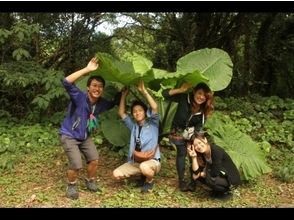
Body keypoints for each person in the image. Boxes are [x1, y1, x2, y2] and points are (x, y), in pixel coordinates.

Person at [59, 57, 119, 200]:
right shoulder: (79, 97)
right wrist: (87, 69)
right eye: (94, 85)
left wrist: (124, 91)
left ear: (102, 90)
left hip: (84, 136)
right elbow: (66, 81)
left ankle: (90, 182)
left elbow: (113, 103)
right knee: (76, 164)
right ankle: (71, 185)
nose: (97, 89)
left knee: (94, 159)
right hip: (69, 135)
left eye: (100, 86)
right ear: (88, 87)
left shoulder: (101, 103)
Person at [162, 82, 214, 191]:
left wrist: (194, 140)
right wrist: (180, 90)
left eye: (204, 95)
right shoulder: (184, 98)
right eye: (199, 93)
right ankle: (181, 181)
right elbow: (164, 94)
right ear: (194, 92)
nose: (201, 97)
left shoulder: (204, 109)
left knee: (193, 154)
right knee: (182, 153)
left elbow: (199, 127)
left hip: (192, 133)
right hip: (178, 131)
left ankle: (193, 181)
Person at [113, 80, 161, 193]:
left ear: (145, 112)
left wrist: (144, 91)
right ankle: (142, 177)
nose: (137, 113)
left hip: (152, 161)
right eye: (134, 111)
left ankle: (149, 181)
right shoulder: (133, 126)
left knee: (145, 167)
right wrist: (124, 96)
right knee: (116, 174)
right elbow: (121, 113)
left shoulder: (153, 124)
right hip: (136, 161)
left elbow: (154, 107)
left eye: (140, 110)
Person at [187, 131, 241, 199]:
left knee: (209, 179)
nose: (199, 147)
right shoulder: (202, 154)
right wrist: (194, 157)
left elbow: (214, 172)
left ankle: (227, 192)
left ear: (205, 140)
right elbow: (195, 172)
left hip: (231, 178)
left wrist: (200, 174)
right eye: (195, 146)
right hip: (220, 175)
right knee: (193, 169)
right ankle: (218, 191)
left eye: (200, 143)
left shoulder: (215, 150)